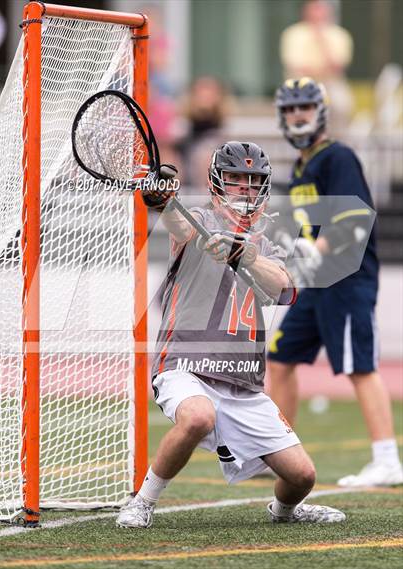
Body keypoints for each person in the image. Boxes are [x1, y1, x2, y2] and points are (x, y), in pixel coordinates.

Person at [116, 141, 346, 528]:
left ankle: (284, 512)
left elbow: (285, 290)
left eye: (253, 180)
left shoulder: (269, 242)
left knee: (302, 476)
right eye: (236, 178)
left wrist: (248, 256)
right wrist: (160, 198)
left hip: (241, 380)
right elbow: (175, 220)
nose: (245, 187)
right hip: (186, 364)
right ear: (217, 182)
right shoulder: (198, 220)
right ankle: (142, 501)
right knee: (197, 418)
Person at [267, 77, 403, 487]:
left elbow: (354, 218)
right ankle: (276, 448)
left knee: (358, 365)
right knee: (281, 357)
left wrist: (317, 250)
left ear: (320, 110)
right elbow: (304, 227)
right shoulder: (301, 166)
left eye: (303, 107)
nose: (296, 115)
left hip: (346, 279)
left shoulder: (337, 157)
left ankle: (386, 458)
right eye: (290, 109)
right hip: (317, 283)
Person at [279, 0, 353, 131]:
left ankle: (339, 139)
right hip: (300, 82)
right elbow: (295, 65)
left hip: (331, 82)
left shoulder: (339, 35)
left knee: (342, 104)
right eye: (314, 10)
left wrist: (322, 40)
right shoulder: (293, 34)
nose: (317, 15)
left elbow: (337, 66)